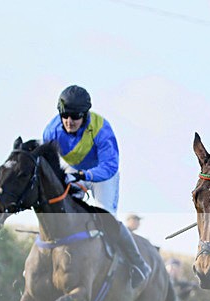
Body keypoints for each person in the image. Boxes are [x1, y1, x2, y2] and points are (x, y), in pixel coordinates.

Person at [43, 85, 151, 288]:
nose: (69, 121)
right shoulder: (52, 130)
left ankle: (138, 264)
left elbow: (110, 166)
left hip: (102, 175)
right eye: (65, 116)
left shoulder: (101, 129)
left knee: (105, 216)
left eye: (75, 116)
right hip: (74, 170)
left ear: (85, 115)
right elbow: (48, 162)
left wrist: (84, 175)